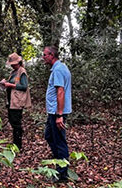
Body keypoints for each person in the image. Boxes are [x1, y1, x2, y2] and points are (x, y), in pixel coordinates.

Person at [42, 46, 72, 183]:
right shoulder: (59, 68)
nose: (43, 57)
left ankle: (62, 174)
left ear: (52, 55)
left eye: (45, 55)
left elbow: (61, 92)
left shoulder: (59, 70)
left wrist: (59, 115)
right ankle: (59, 163)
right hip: (53, 112)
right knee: (49, 136)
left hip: (57, 113)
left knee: (60, 141)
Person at [0, 52, 31, 150]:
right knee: (12, 121)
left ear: (19, 62)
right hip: (11, 101)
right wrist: (5, 83)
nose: (12, 66)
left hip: (17, 101)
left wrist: (10, 85)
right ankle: (15, 143)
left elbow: (24, 87)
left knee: (16, 123)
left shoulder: (22, 71)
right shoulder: (13, 72)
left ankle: (18, 145)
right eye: (11, 64)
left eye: (14, 64)